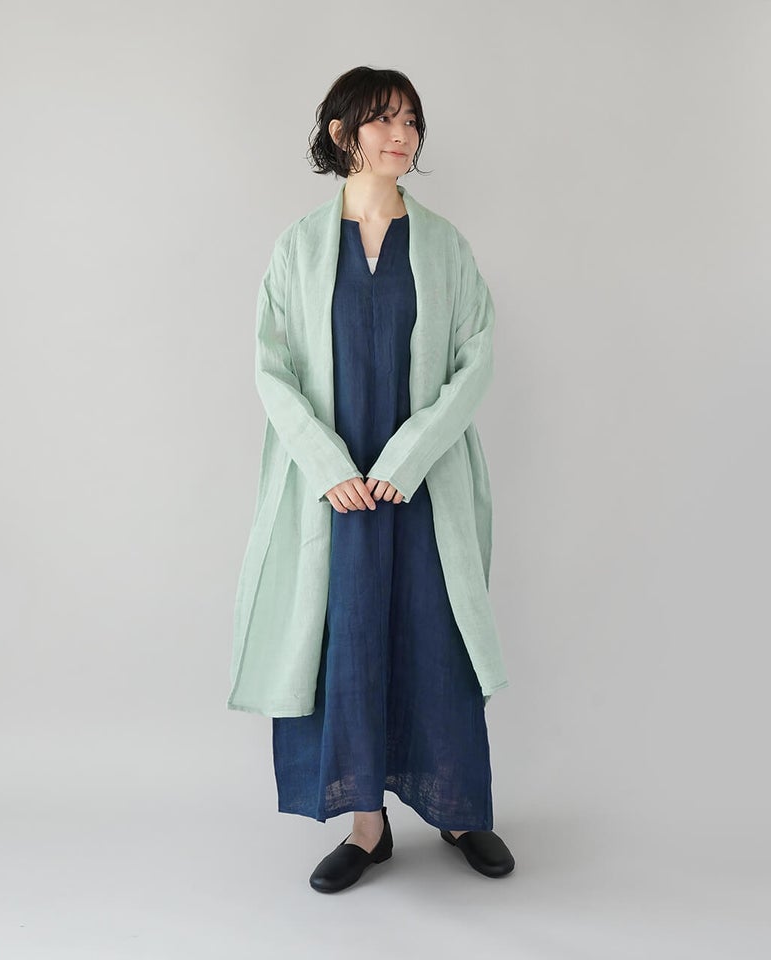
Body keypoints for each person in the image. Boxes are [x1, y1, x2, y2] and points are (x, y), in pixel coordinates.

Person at [228, 66, 515, 892]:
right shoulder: (298, 247)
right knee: (345, 642)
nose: (401, 135)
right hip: (337, 496)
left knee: (436, 638)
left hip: (423, 487)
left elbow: (475, 361)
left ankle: (458, 810)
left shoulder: (445, 246)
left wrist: (406, 460)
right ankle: (366, 827)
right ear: (341, 132)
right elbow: (271, 368)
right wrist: (328, 467)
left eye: (411, 121)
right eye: (383, 119)